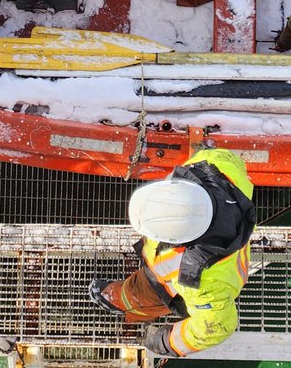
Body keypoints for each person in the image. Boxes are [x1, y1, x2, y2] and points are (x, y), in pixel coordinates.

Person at [89, 148, 257, 358]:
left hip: (170, 285)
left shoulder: (204, 282)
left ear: (177, 239)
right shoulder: (212, 168)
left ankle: (126, 304)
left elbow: (216, 326)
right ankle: (126, 297)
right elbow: (225, 158)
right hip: (210, 260)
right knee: (148, 285)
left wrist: (167, 342)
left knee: (147, 296)